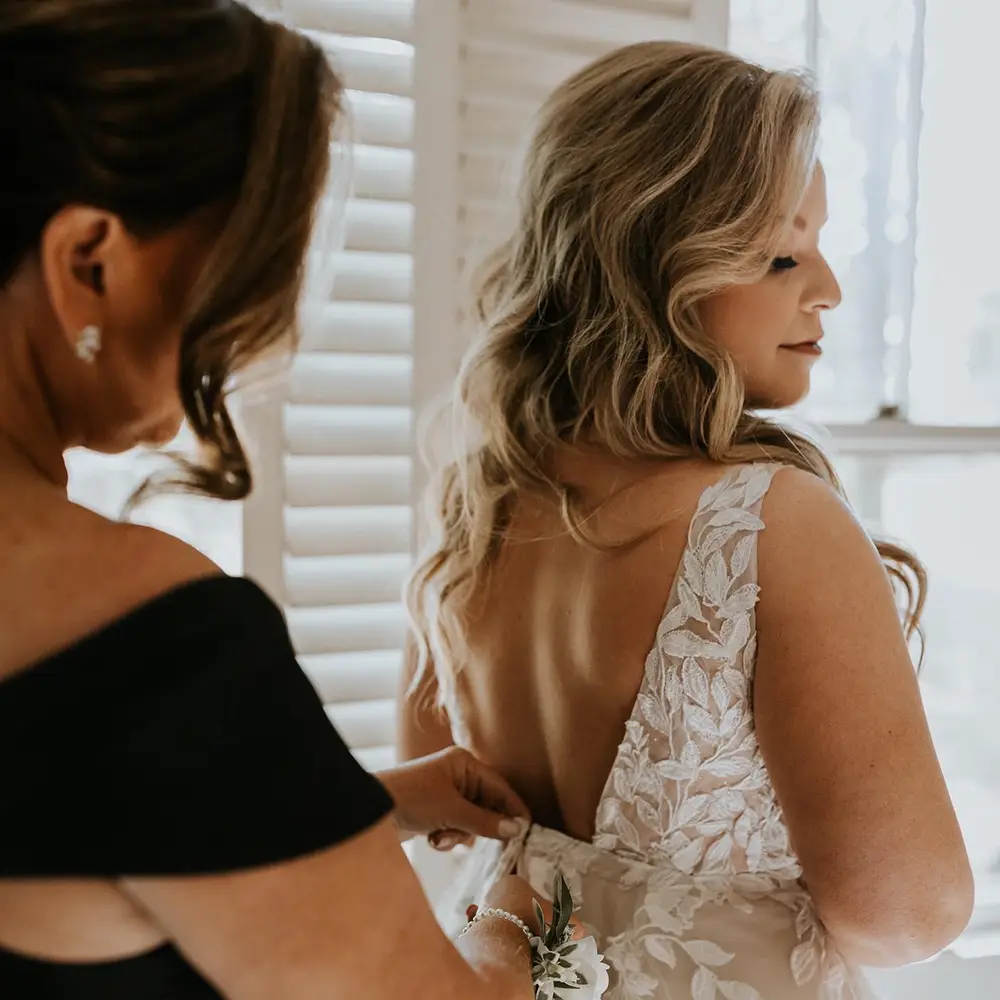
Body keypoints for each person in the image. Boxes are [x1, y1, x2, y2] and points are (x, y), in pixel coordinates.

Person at [401, 40, 975, 999]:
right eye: (783, 251)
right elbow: (906, 909)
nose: (829, 287)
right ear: (657, 258)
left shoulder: (480, 505)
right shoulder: (770, 525)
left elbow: (447, 793)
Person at [0, 2, 548, 998]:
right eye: (243, 261)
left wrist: (349, 803)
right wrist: (514, 925)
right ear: (90, 262)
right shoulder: (146, 639)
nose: (251, 317)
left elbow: (64, 805)